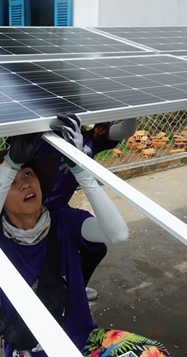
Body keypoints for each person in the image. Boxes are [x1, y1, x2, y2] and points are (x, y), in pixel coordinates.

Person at [0, 123, 169, 357]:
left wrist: (80, 168)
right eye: (12, 181)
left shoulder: (65, 221)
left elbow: (117, 233)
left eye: (29, 174)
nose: (25, 184)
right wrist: (9, 165)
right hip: (29, 350)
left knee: (153, 353)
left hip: (81, 341)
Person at [34, 114, 137, 300]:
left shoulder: (92, 136)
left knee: (96, 250)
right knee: (48, 259)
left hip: (60, 210)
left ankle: (75, 291)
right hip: (35, 211)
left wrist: (133, 106)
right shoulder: (49, 131)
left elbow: (126, 130)